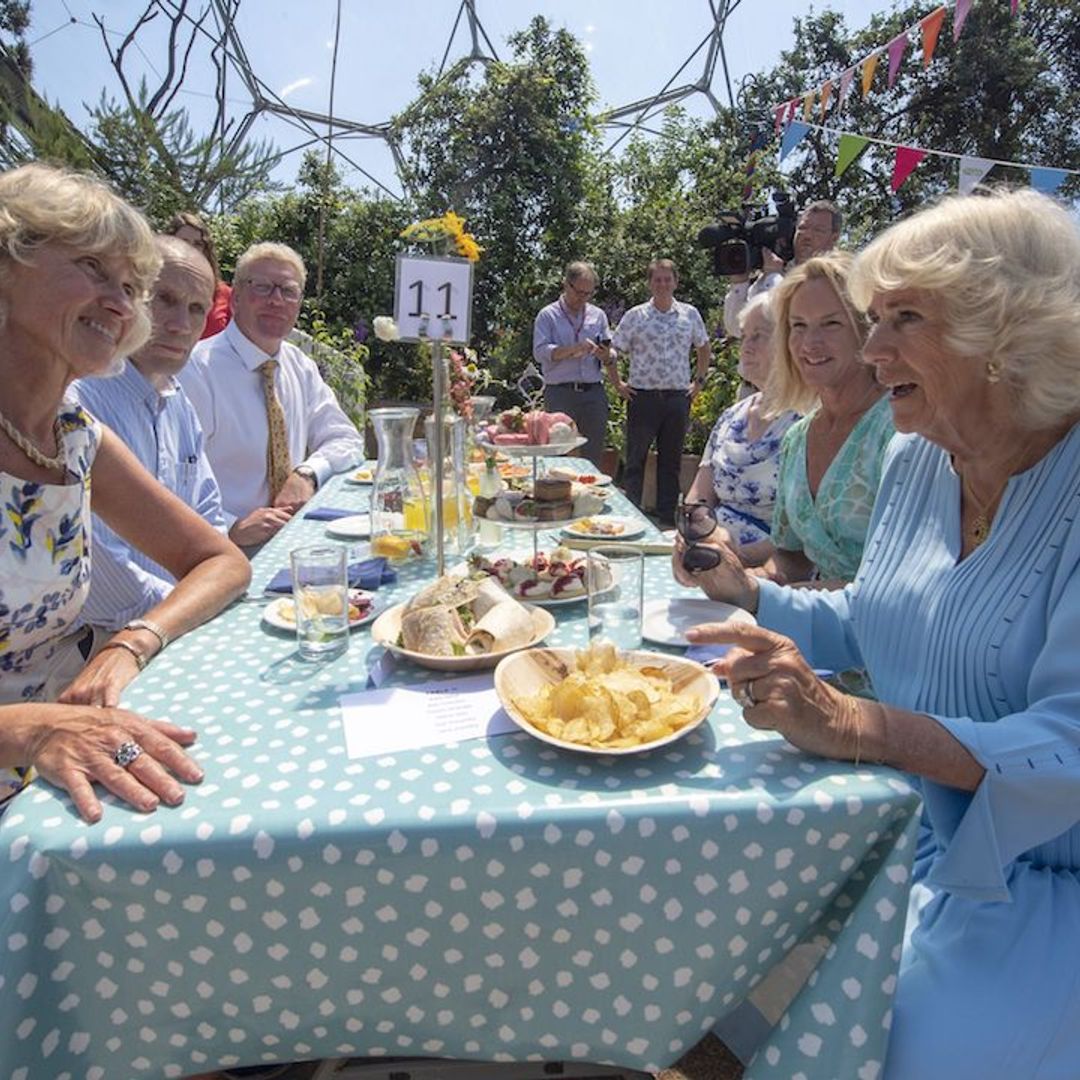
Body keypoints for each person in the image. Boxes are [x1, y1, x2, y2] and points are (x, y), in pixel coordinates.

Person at [676, 187, 1080, 1078]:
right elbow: (876, 609)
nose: (869, 349)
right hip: (913, 820)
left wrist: (862, 727)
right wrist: (752, 599)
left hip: (1047, 877)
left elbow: (1071, 745)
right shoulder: (918, 453)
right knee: (708, 910)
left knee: (906, 1040)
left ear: (1008, 334)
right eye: (873, 318)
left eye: (903, 318)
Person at [0, 162, 250, 823]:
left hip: (76, 762)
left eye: (131, 286)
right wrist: (35, 730)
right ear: (7, 266)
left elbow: (221, 560)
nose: (119, 302)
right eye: (90, 267)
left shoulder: (76, 437)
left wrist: (132, 641)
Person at [70, 234, 226, 633]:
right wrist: (199, 605)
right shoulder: (78, 403)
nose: (180, 325)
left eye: (196, 309)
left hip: (173, 621)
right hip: (102, 644)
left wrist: (212, 586)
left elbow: (209, 519)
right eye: (164, 299)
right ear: (130, 299)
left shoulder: (177, 402)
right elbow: (105, 579)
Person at [180, 241, 364, 547]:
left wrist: (306, 474)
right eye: (263, 287)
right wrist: (229, 526)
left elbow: (345, 439)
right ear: (236, 297)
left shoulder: (298, 365)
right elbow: (170, 480)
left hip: (291, 538)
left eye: (288, 291)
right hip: (220, 549)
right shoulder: (197, 371)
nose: (276, 300)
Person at [737, 251, 892, 585]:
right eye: (798, 326)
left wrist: (762, 597)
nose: (810, 343)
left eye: (831, 323)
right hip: (812, 622)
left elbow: (896, 585)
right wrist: (736, 578)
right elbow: (790, 560)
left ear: (867, 329)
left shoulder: (896, 430)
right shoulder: (798, 438)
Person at [683, 292, 799, 546]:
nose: (745, 346)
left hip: (768, 569)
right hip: (711, 546)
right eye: (744, 336)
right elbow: (698, 496)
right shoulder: (731, 418)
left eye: (758, 336)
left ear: (790, 342)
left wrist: (732, 555)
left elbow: (801, 542)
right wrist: (704, 532)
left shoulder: (808, 422)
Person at [609, 258, 711, 527]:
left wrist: (699, 381)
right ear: (650, 283)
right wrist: (617, 382)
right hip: (643, 397)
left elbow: (703, 347)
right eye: (657, 280)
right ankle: (630, 516)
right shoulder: (635, 316)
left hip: (677, 397)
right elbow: (613, 350)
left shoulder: (689, 314)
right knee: (635, 460)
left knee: (671, 461)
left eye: (667, 279)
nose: (663, 284)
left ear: (676, 282)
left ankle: (666, 519)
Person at [531, 260, 617, 468]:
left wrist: (606, 355)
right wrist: (572, 350)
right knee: (558, 452)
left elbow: (611, 353)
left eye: (588, 294)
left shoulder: (598, 315)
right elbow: (540, 352)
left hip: (593, 392)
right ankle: (555, 497)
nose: (583, 298)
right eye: (579, 292)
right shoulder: (548, 315)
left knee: (593, 454)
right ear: (566, 285)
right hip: (561, 392)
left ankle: (589, 497)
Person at [722, 199, 841, 338]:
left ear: (835, 237)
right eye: (802, 228)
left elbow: (778, 327)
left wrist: (774, 278)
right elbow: (738, 328)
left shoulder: (838, 278)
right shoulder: (777, 269)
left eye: (818, 230)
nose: (807, 235)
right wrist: (740, 283)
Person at [166, 210, 233, 338]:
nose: (191, 248)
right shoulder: (150, 287)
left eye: (198, 244)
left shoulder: (225, 295)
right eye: (184, 241)